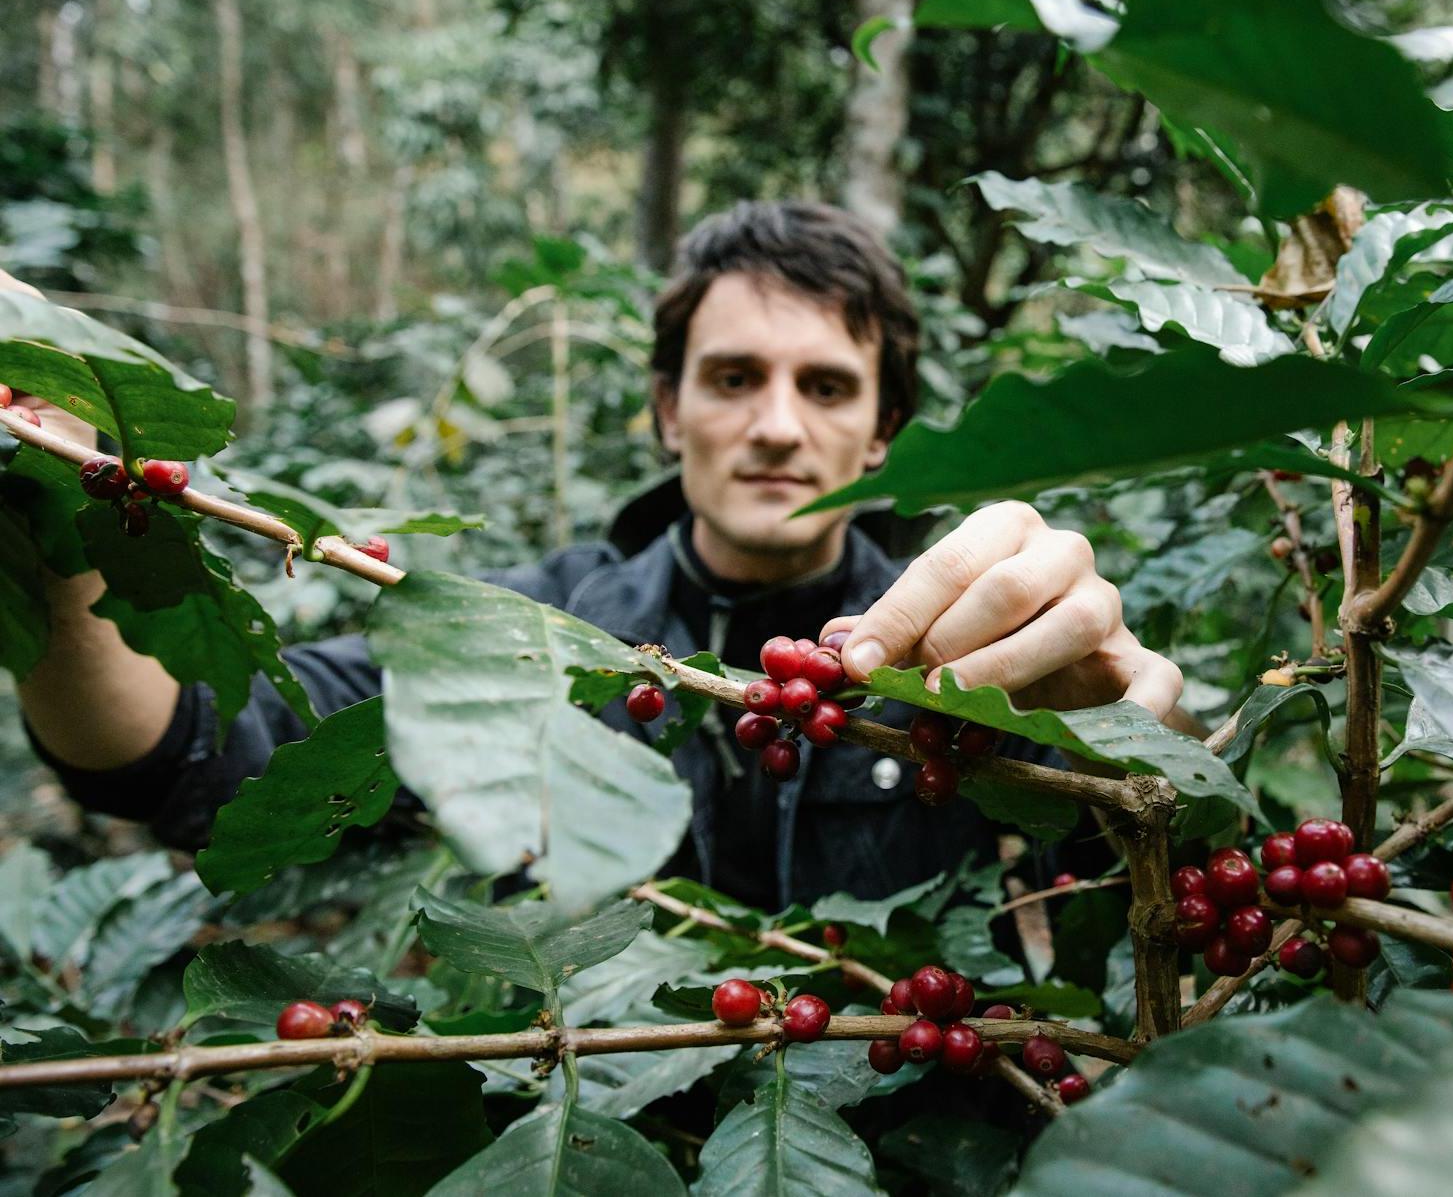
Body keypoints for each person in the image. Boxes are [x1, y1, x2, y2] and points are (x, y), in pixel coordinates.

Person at [8, 201, 1181, 908]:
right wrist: (55, 530)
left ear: (881, 432)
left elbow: (1149, 878)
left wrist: (1126, 751)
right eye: (733, 378)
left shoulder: (969, 642)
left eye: (825, 386)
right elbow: (199, 751)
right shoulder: (528, 627)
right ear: (669, 413)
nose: (776, 424)